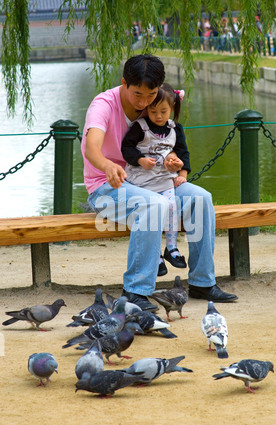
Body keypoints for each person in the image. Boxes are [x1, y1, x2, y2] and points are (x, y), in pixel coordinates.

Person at [81, 54, 238, 310]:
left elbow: (168, 140)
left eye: (150, 95)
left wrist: (173, 159)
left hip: (154, 179)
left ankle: (201, 282)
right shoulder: (103, 106)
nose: (144, 102)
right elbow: (91, 148)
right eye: (137, 95)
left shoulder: (156, 104)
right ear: (124, 83)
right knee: (154, 205)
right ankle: (136, 290)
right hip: (107, 187)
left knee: (201, 198)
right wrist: (108, 166)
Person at [121, 82, 189, 276]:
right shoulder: (140, 128)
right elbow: (126, 148)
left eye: (163, 111)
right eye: (153, 111)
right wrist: (140, 160)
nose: (158, 116)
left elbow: (183, 153)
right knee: (154, 214)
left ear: (172, 109)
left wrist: (181, 172)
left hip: (164, 180)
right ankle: (156, 254)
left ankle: (172, 248)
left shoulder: (175, 129)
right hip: (142, 182)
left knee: (171, 208)